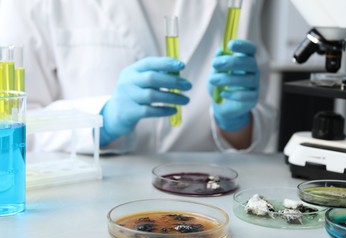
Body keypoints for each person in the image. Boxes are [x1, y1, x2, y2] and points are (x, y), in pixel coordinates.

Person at [0, 0, 277, 154]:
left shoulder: (240, 4)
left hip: (206, 191)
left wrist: (236, 123)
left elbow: (258, 129)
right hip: (93, 195)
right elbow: (11, 125)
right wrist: (102, 119)